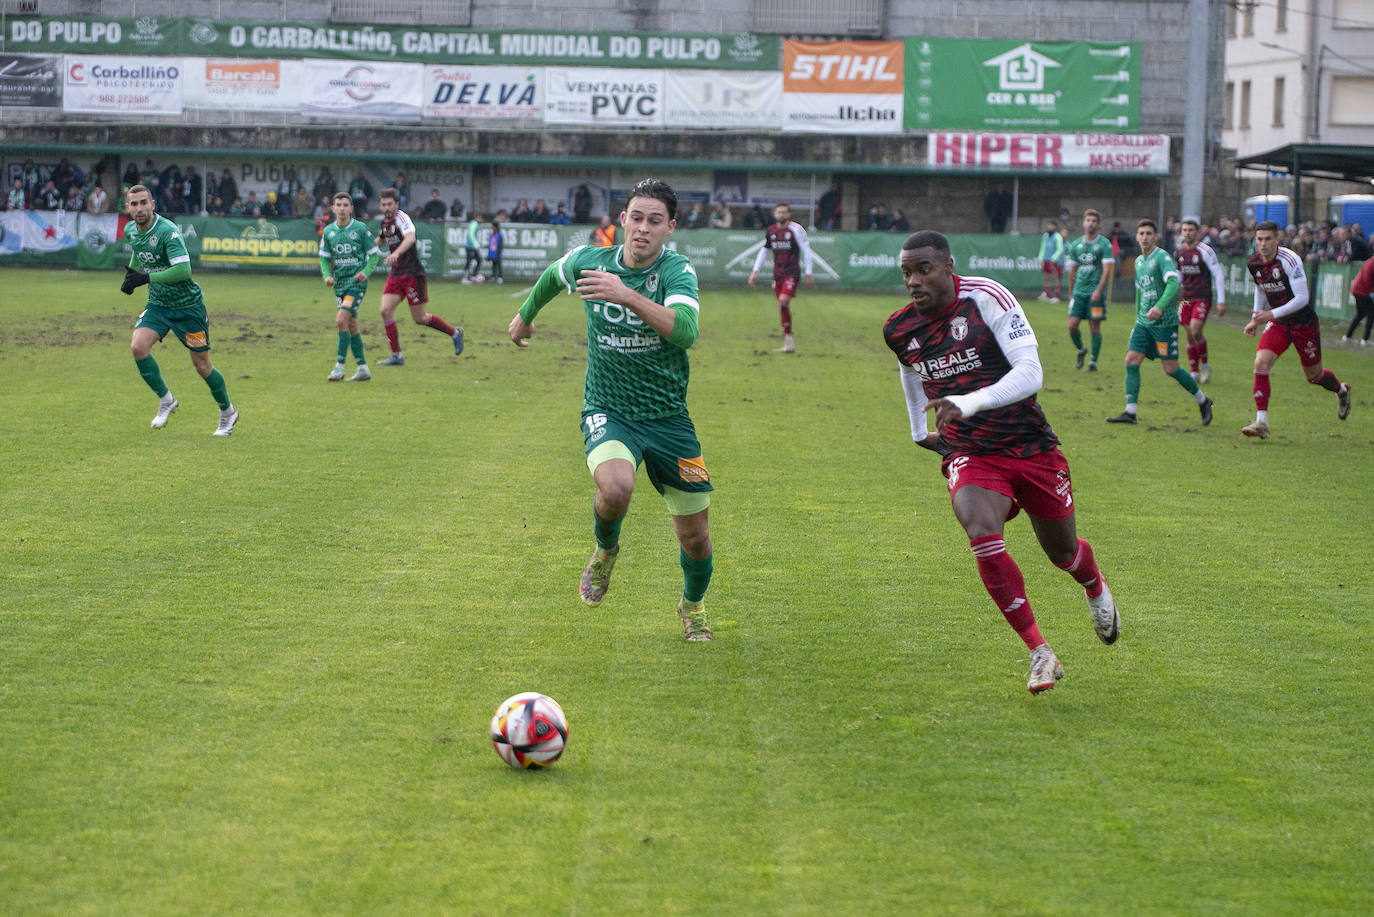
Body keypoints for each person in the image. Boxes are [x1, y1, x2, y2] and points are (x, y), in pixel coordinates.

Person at [884, 230, 1119, 694]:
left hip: (1030, 445)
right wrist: (917, 430)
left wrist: (968, 401)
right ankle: (1040, 652)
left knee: (1063, 554)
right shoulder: (899, 328)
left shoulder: (986, 297)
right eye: (907, 272)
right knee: (981, 532)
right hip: (969, 450)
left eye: (923, 270)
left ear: (949, 266)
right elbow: (909, 369)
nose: (914, 280)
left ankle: (1092, 583)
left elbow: (1031, 374)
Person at [506, 177, 716, 642]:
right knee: (616, 487)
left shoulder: (677, 272)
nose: (643, 228)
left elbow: (684, 331)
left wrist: (628, 295)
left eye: (654, 221)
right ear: (623, 220)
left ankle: (692, 604)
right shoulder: (591, 260)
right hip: (609, 408)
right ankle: (605, 552)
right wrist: (525, 316)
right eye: (636, 218)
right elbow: (552, 276)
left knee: (696, 537)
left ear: (670, 228)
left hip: (668, 419)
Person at [121, 184, 238, 436]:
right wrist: (131, 275)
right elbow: (138, 251)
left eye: (144, 202)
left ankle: (228, 412)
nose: (139, 208)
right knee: (137, 347)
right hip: (159, 305)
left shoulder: (168, 231)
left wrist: (146, 279)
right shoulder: (131, 229)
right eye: (134, 204)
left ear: (153, 204)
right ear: (127, 207)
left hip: (188, 307)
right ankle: (166, 400)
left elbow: (184, 271)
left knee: (202, 366)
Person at [1241, 221, 1352, 438]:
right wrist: (1256, 318)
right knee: (1261, 363)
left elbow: (1302, 299)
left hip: (1303, 323)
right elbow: (1261, 288)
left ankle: (1341, 390)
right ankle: (1261, 422)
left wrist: (1269, 314)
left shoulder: (1290, 260)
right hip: (1280, 323)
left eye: (1268, 239)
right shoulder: (1254, 263)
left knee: (1314, 376)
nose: (1263, 244)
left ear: (1277, 239)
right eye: (1259, 239)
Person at [1106, 220, 1213, 426]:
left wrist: (1160, 307)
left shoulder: (1162, 257)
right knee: (1131, 360)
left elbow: (1173, 284)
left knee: (1171, 368)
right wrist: (1138, 316)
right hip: (1143, 324)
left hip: (1165, 323)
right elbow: (1140, 292)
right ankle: (1130, 412)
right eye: (1141, 233)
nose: (1145, 237)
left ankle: (1203, 400)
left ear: (1155, 237)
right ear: (1137, 237)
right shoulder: (1138, 262)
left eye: (1148, 233)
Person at [374, 187, 463, 368]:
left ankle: (454, 333)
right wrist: (365, 248)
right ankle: (396, 355)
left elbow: (410, 238)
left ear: (396, 204)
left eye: (390, 204)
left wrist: (396, 254)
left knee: (420, 318)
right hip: (396, 274)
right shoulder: (385, 222)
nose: (387, 207)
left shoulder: (402, 218)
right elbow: (382, 239)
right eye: (383, 204)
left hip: (413, 274)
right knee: (385, 311)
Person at [319, 192, 381, 382]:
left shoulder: (360, 229)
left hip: (356, 284)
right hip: (340, 285)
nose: (342, 208)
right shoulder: (329, 232)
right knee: (351, 325)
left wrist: (365, 272)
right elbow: (324, 257)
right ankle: (363, 368)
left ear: (351, 208)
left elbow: (374, 254)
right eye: (339, 205)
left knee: (340, 321)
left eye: (346, 205)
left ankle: (339, 367)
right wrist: (327, 276)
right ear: (333, 208)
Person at [747, 203, 815, 354]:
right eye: (779, 212)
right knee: (782, 306)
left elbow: (807, 251)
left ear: (789, 214)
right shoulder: (771, 230)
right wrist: (754, 272)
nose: (781, 215)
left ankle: (789, 343)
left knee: (783, 301)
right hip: (777, 274)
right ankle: (789, 343)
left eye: (784, 212)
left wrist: (809, 273)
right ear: (774, 214)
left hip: (792, 273)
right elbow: (764, 251)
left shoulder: (796, 230)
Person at [1174, 217, 1227, 383]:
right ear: (1181, 232)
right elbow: (1179, 276)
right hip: (1186, 298)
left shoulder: (1205, 251)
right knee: (1189, 335)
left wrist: (1221, 300)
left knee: (1195, 330)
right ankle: (1194, 371)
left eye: (1191, 230)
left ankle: (1205, 365)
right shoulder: (1179, 252)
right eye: (1185, 230)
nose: (1187, 233)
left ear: (1197, 233)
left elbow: (1218, 274)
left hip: (1202, 297)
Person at [1065, 208, 1115, 372]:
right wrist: (1071, 293)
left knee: (1094, 326)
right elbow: (1072, 271)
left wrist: (1098, 291)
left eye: (1094, 221)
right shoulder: (1076, 245)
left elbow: (1106, 270)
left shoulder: (1104, 244)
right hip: (1079, 293)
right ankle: (1081, 349)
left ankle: (1093, 362)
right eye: (1088, 220)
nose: (1091, 223)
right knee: (1072, 326)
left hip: (1095, 294)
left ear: (1098, 224)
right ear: (1083, 222)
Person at [1342, 256, 1374, 345]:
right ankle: (1365, 339)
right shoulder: (1372, 263)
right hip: (1362, 291)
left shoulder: (1370, 261)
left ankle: (1348, 336)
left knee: (1361, 314)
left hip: (1359, 289)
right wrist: (1371, 291)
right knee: (1371, 314)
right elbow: (1367, 279)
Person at [1038, 221, 1065, 302]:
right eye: (1049, 226)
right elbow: (1043, 248)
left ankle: (1056, 296)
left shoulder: (1057, 236)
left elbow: (1060, 249)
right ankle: (1047, 295)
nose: (1049, 227)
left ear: (1055, 227)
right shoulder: (1045, 236)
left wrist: (1054, 258)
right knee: (1046, 278)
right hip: (1045, 260)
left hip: (1053, 261)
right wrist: (1040, 258)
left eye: (1051, 226)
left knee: (1056, 278)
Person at [461, 213, 483, 282]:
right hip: (470, 246)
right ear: (477, 217)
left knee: (479, 260)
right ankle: (464, 278)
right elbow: (471, 234)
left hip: (473, 246)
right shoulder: (474, 223)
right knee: (469, 261)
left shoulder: (474, 224)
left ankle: (473, 276)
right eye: (480, 218)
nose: (481, 220)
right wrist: (475, 244)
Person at [487, 219, 504, 283]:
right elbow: (490, 245)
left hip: (497, 254)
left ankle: (500, 277)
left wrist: (498, 254)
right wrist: (489, 254)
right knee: (493, 266)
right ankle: (493, 276)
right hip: (492, 253)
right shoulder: (491, 235)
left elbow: (500, 246)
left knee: (499, 265)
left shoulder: (499, 235)